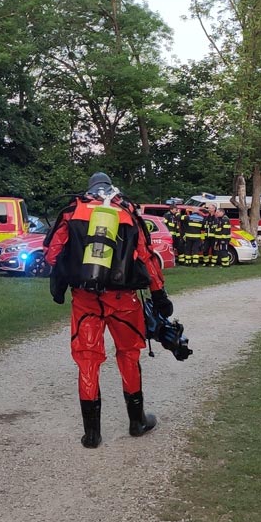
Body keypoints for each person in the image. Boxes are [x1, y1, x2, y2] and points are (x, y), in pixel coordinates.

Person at [44, 172, 171, 448]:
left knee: (87, 361)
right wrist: (159, 295)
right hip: (124, 300)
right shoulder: (126, 211)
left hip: (86, 299)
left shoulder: (72, 211)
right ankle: (137, 422)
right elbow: (147, 257)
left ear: (89, 189)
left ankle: (92, 435)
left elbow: (52, 254)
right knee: (128, 355)